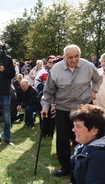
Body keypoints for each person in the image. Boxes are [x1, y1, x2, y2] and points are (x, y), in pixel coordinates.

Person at [41, 44, 103, 177]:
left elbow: (98, 79)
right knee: (63, 139)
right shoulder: (55, 70)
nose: (74, 60)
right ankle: (66, 167)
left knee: (89, 137)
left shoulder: (88, 66)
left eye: (77, 56)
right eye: (70, 57)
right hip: (63, 108)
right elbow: (47, 92)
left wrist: (94, 90)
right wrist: (45, 107)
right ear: (64, 57)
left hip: (84, 108)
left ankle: (89, 164)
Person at [69, 104, 105, 184]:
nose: (73, 130)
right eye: (74, 126)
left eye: (78, 126)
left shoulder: (100, 156)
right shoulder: (84, 146)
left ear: (94, 131)